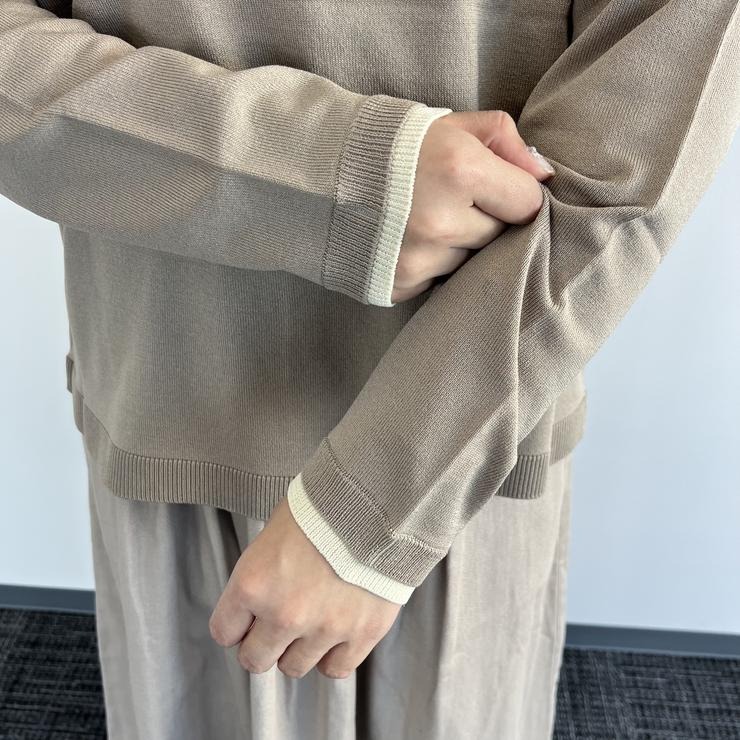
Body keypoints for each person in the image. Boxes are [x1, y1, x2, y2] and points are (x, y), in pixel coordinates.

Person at [1, 1, 737, 738]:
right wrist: (334, 176)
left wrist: (376, 509)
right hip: (169, 405)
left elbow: (624, 159)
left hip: (465, 436)